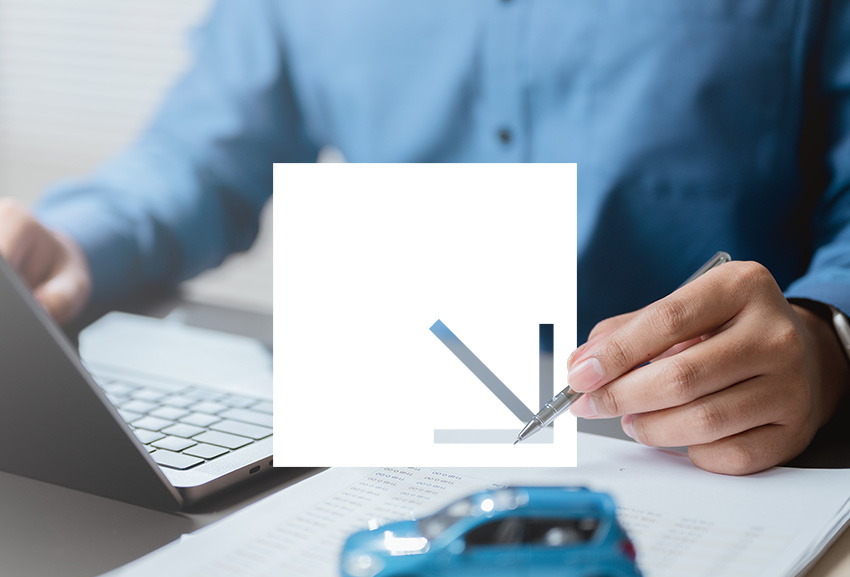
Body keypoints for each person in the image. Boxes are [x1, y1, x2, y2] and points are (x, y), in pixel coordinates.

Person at [1, 1, 849, 475]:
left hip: (718, 457)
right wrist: (72, 243)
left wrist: (826, 333)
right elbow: (196, 152)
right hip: (385, 446)